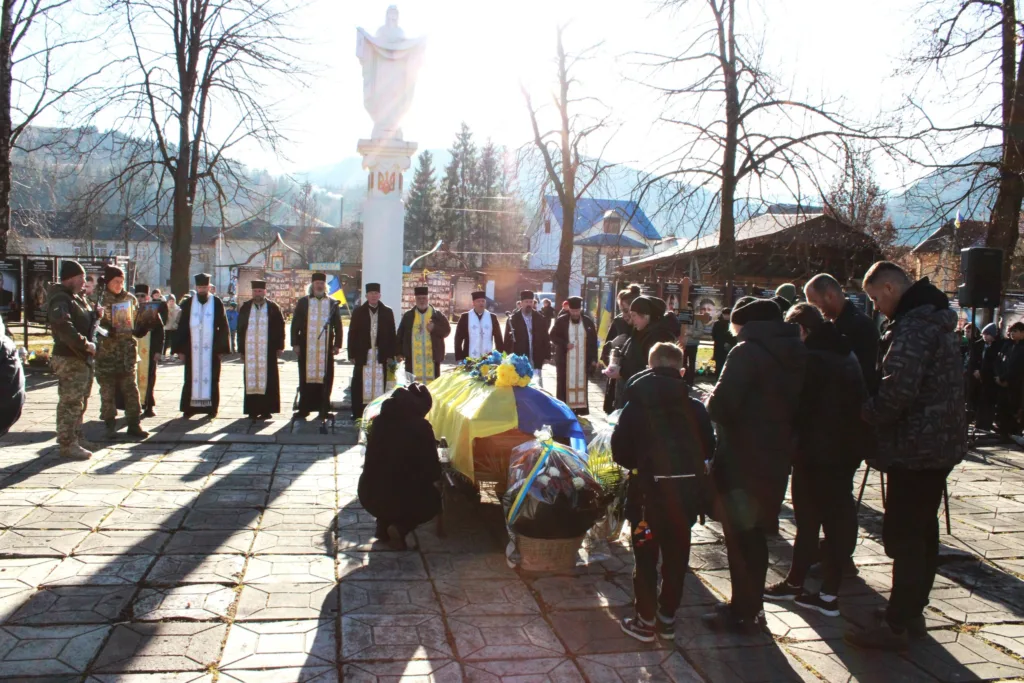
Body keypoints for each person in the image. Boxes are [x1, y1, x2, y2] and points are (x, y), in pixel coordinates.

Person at [844, 263, 966, 651]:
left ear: (892, 287)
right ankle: (910, 610)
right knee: (923, 533)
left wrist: (867, 411)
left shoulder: (914, 327)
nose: (877, 307)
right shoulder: (935, 321)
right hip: (937, 444)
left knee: (905, 536)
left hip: (915, 447)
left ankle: (897, 623)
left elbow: (899, 390)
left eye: (877, 298)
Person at [702, 296, 806, 634]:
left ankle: (744, 612)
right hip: (775, 456)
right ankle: (751, 606)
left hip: (741, 458)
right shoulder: (796, 349)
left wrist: (708, 400)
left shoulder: (746, 351)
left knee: (739, 537)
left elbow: (723, 405)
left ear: (744, 325)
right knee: (756, 534)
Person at [763, 303, 867, 617]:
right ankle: (807, 585)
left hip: (818, 451)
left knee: (814, 520)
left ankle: (824, 593)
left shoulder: (813, 359)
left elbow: (798, 405)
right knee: (829, 518)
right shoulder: (843, 352)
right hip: (844, 448)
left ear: (802, 331)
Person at [614, 342, 714, 642]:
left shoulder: (636, 405)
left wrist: (638, 467)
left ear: (649, 366)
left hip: (646, 500)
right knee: (676, 558)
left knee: (645, 558)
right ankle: (667, 617)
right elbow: (709, 448)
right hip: (684, 501)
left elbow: (620, 450)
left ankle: (645, 619)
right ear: (681, 370)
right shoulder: (695, 406)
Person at [358, 382, 441, 550]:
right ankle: (401, 527)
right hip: (402, 497)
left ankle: (383, 527)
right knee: (433, 500)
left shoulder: (379, 421)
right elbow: (432, 470)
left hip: (369, 493)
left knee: (388, 481)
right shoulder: (421, 427)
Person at [47, 260, 97, 459]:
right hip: (69, 358)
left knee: (79, 400)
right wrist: (85, 344)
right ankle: (67, 443)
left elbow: (79, 319)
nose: (84, 281)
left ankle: (76, 436)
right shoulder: (61, 298)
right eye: (81, 277)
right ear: (71, 278)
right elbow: (64, 326)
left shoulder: (74, 298)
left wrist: (94, 315)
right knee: (70, 402)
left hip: (79, 358)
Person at [95, 265, 149, 440]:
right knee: (107, 391)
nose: (119, 285)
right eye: (116, 282)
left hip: (126, 352)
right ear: (108, 281)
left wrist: (145, 323)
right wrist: (104, 329)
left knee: (131, 390)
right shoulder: (99, 298)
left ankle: (134, 424)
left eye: (122, 281)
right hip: (106, 352)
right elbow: (91, 323)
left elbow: (135, 323)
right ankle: (109, 425)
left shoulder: (130, 299)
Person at [804, 274, 880, 393]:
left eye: (814, 302)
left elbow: (865, 375)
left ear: (830, 296)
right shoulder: (842, 322)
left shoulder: (860, 326)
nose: (813, 309)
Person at [173, 273, 231, 417]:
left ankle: (211, 409)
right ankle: (189, 408)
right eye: (200, 287)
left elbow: (223, 326)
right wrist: (180, 349)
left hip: (211, 350)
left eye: (205, 287)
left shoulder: (216, 303)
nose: (202, 290)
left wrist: (221, 348)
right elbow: (181, 328)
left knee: (212, 378)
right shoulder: (187, 304)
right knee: (190, 377)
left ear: (209, 287)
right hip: (192, 349)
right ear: (195, 287)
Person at [610, 295, 677, 410]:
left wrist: (622, 372)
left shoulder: (657, 337)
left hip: (645, 397)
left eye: (634, 316)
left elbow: (650, 368)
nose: (632, 319)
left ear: (645, 316)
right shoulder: (640, 332)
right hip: (632, 391)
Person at [291, 272, 343, 420]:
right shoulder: (304, 302)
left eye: (322, 283)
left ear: (325, 285)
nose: (319, 285)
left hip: (325, 348)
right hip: (306, 346)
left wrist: (337, 344)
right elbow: (296, 324)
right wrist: (295, 343)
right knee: (305, 376)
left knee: (325, 377)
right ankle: (304, 408)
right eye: (317, 283)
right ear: (312, 285)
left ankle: (323, 408)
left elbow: (338, 325)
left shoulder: (333, 302)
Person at [348, 282, 398, 420]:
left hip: (381, 354)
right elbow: (352, 333)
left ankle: (379, 411)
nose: (374, 296)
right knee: (359, 382)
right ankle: (358, 411)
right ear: (366, 296)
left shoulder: (387, 311)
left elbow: (392, 334)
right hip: (363, 353)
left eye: (376, 293)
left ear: (380, 295)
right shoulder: (358, 311)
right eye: (371, 293)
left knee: (380, 382)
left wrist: (391, 355)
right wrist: (351, 354)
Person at [238, 280, 285, 420]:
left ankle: (267, 409)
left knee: (269, 379)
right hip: (250, 350)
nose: (257, 294)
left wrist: (280, 346)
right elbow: (241, 329)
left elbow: (280, 328)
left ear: (265, 292)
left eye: (260, 291)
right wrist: (241, 349)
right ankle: (252, 409)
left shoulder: (273, 307)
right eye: (255, 291)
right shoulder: (246, 307)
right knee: (251, 379)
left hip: (268, 350)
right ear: (252, 292)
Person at [550, 296, 598, 414]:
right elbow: (552, 336)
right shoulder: (561, 320)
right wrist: (565, 344)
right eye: (573, 311)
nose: (575, 313)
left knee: (581, 383)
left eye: (577, 311)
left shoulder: (588, 321)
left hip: (582, 361)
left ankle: (580, 409)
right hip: (565, 361)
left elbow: (593, 341)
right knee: (563, 384)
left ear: (580, 309)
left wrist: (594, 359)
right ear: (569, 310)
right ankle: (564, 410)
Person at [397, 286, 451, 383]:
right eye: (419, 298)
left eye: (424, 298)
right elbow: (400, 335)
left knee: (432, 388)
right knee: (412, 388)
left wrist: (434, 328)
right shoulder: (408, 316)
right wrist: (399, 353)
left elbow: (447, 331)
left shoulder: (437, 315)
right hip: (412, 359)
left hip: (432, 358)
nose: (422, 301)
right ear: (415, 299)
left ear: (428, 298)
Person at [602, 284, 641, 413]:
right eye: (621, 310)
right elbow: (605, 352)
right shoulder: (618, 322)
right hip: (617, 381)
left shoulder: (644, 325)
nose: (623, 315)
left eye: (626, 310)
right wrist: (613, 344)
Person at [133, 284, 168, 419]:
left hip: (149, 350)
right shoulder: (129, 309)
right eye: (137, 296)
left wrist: (158, 351)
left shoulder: (152, 311)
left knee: (149, 377)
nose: (140, 298)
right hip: (132, 350)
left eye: (142, 296)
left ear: (147, 297)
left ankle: (148, 405)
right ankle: (133, 406)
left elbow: (160, 332)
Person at [968, 323, 1006, 431]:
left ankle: (985, 424)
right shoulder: (979, 345)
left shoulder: (998, 346)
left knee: (988, 403)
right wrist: (976, 371)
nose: (984, 336)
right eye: (983, 334)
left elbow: (994, 363)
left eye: (986, 334)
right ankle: (979, 423)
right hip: (979, 378)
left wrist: (983, 372)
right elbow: (974, 360)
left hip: (990, 379)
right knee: (979, 401)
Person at [504, 290, 551, 373]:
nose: (529, 304)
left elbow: (546, 337)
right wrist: (506, 356)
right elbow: (507, 340)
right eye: (526, 302)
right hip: (520, 357)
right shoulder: (513, 319)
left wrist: (547, 356)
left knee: (537, 382)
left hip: (536, 356)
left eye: (530, 302)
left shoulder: (540, 318)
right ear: (521, 303)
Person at [454, 291, 502, 362]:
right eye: (478, 301)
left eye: (483, 301)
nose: (481, 303)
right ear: (473, 303)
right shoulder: (465, 317)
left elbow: (498, 338)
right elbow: (458, 338)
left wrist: (499, 356)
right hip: (468, 356)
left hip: (488, 357)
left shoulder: (492, 317)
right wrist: (459, 357)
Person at [996, 322, 1024, 437]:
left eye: (1015, 331)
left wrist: (1006, 378)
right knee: (1002, 408)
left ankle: (1013, 432)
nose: (1012, 333)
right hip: (1002, 382)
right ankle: (1003, 431)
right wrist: (999, 376)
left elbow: (1018, 367)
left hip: (1016, 384)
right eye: (1012, 331)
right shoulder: (1007, 345)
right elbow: (998, 360)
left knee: (1014, 408)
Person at [682, 302, 706, 385]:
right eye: (686, 309)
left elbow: (700, 331)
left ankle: (690, 381)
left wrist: (691, 333)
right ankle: (683, 380)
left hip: (692, 344)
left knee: (692, 363)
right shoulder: (681, 317)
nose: (688, 311)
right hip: (682, 344)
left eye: (689, 309)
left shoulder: (697, 318)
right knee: (683, 363)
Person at [711, 308, 733, 376]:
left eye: (728, 315)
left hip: (729, 346)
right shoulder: (717, 323)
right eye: (725, 314)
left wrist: (729, 342)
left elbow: (734, 336)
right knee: (719, 365)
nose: (726, 316)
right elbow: (713, 334)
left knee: (727, 364)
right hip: (719, 346)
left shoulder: (732, 324)